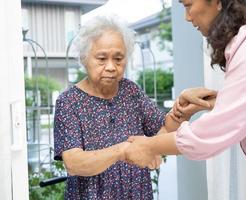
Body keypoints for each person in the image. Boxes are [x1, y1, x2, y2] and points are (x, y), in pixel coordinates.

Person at [125, 1, 246, 200]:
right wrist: (219, 101)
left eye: (188, 5)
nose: (187, 17)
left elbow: (215, 131)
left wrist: (149, 146)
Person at [53, 15, 215, 200]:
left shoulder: (130, 91)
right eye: (102, 58)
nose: (111, 67)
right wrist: (122, 151)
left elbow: (162, 133)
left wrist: (183, 110)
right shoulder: (69, 101)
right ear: (84, 58)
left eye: (119, 59)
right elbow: (74, 163)